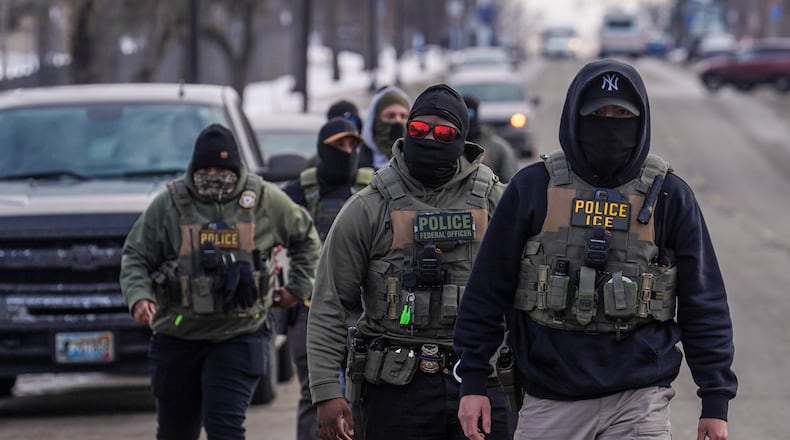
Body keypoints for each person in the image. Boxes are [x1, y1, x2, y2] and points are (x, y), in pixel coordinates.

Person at [454, 59, 738, 440]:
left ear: (640, 121)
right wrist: (473, 379)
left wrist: (715, 400)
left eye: (621, 113)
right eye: (598, 113)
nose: (610, 122)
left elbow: (705, 303)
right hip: (549, 397)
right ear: (575, 116)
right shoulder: (533, 187)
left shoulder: (669, 195)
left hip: (639, 400)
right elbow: (487, 289)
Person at [307, 84, 510, 440]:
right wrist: (326, 390)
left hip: (478, 382)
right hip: (395, 388)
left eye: (444, 132)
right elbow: (329, 302)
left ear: (461, 139)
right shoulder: (369, 206)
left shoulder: (495, 201)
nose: (430, 138)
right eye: (419, 129)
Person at [120, 123, 321, 440]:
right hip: (177, 335)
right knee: (175, 432)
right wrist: (139, 296)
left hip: (240, 333)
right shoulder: (169, 205)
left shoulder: (265, 200)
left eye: (222, 168)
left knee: (224, 427)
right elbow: (135, 255)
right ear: (195, 167)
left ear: (236, 167)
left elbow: (307, 239)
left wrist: (297, 288)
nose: (214, 175)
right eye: (207, 168)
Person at [280, 117, 374, 440]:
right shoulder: (297, 192)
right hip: (309, 310)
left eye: (353, 145)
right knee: (315, 393)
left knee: (362, 393)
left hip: (362, 310)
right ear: (322, 148)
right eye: (339, 145)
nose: (348, 152)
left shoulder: (370, 189)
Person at [462, 95, 520, 183]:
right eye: (463, 113)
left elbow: (511, 182)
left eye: (470, 113)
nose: (467, 118)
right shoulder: (448, 148)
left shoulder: (498, 148)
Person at [358, 85, 410, 169]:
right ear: (376, 119)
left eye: (403, 116)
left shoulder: (418, 160)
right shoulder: (358, 160)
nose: (398, 120)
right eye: (391, 115)